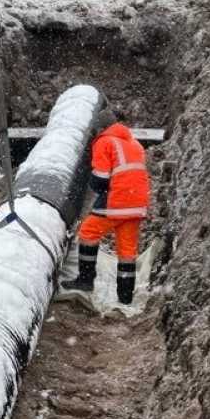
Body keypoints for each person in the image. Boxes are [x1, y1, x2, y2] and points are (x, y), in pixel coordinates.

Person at [62, 118, 150, 305]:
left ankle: (86, 280)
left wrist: (94, 187)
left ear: (100, 129)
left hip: (118, 198)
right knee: (127, 249)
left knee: (88, 232)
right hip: (138, 202)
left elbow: (100, 179)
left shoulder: (104, 141)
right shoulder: (133, 143)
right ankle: (125, 296)